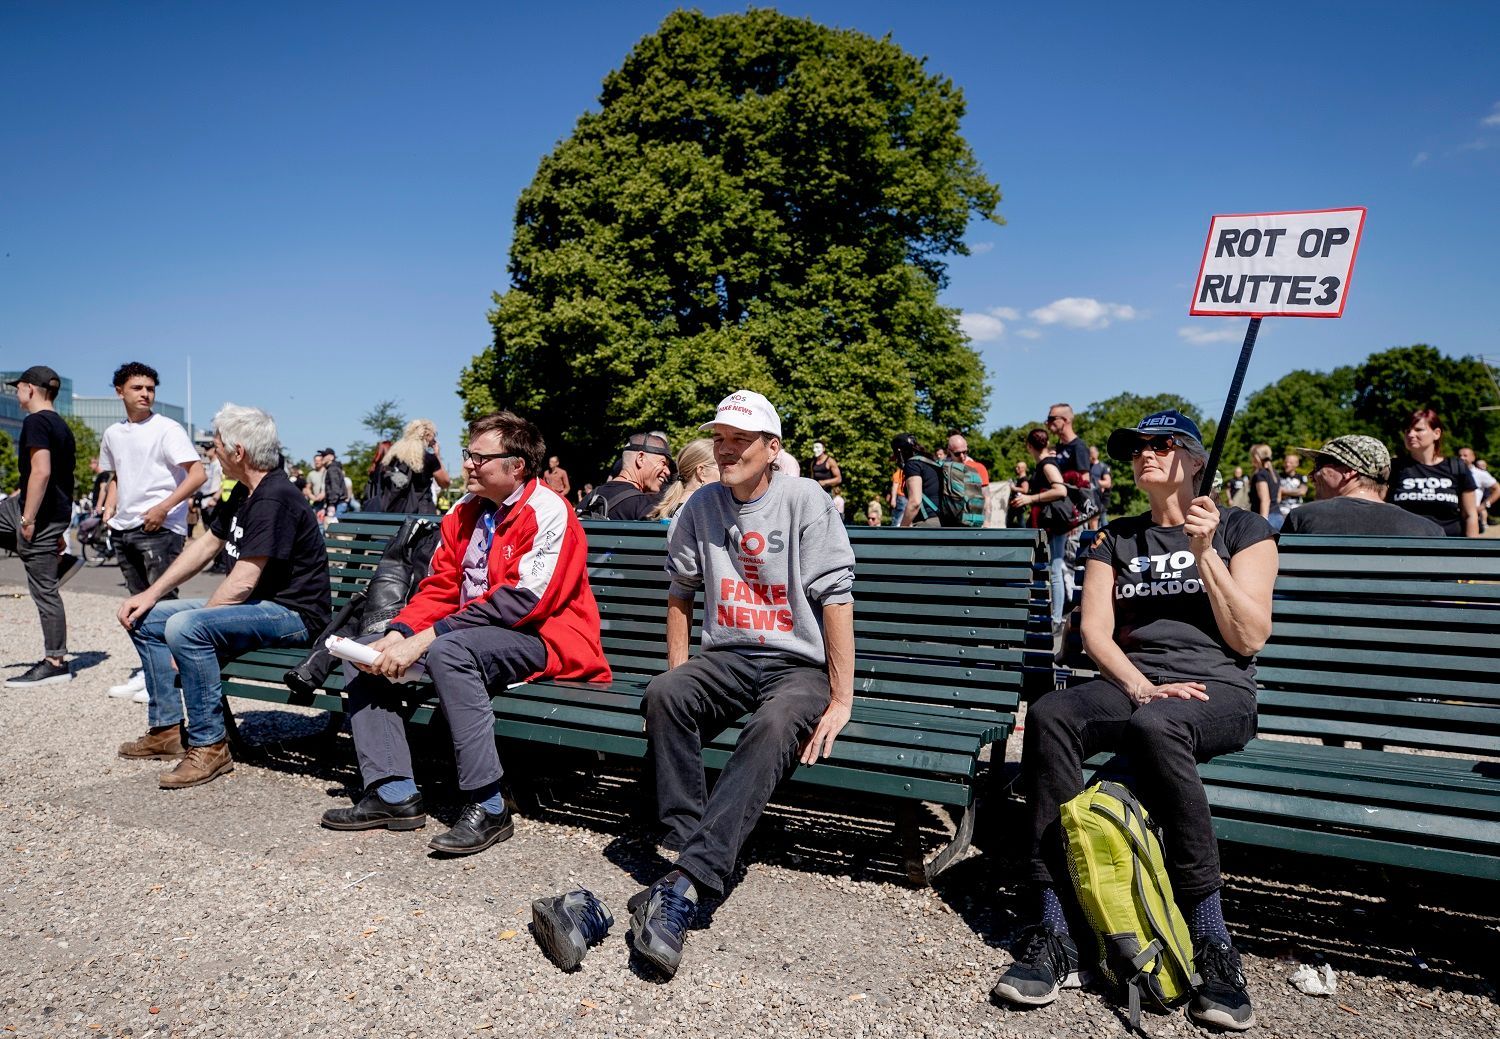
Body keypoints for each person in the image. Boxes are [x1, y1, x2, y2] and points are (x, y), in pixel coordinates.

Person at [535, 390, 854, 979]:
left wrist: (840, 697)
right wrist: (679, 669)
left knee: (778, 722)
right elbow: (680, 592)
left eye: (742, 441)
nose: (727, 450)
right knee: (665, 694)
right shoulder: (700, 505)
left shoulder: (805, 500)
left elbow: (835, 596)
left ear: (771, 447)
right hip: (729, 656)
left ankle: (683, 881)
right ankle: (690, 852)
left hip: (797, 665)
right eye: (721, 440)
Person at [991, 409, 1274, 1032]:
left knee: (1158, 728)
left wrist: (1205, 553)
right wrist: (1143, 686)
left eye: (1163, 445)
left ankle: (1211, 938)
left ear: (1196, 461)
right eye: (1137, 447)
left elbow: (1250, 638)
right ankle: (1057, 925)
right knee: (1051, 714)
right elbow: (1093, 631)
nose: (1146, 454)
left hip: (1218, 690)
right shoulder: (1115, 537)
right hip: (1137, 683)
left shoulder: (1243, 528)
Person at [320, 411, 610, 854]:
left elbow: (523, 603)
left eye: (479, 456)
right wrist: (400, 632)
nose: (468, 464)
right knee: (365, 651)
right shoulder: (463, 511)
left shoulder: (550, 510)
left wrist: (428, 637)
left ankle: (488, 804)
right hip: (467, 636)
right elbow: (439, 587)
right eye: (467, 454)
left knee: (449, 652)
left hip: (543, 638)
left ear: (517, 466)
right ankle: (392, 792)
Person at [115, 404, 331, 787]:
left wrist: (193, 633)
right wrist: (150, 593)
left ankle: (211, 746)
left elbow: (244, 581)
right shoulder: (245, 493)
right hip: (256, 607)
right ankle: (166, 730)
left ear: (237, 451)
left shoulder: (274, 497)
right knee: (145, 619)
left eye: (215, 444)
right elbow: (206, 545)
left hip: (293, 615)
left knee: (185, 628)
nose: (211, 451)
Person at [97, 362, 208, 702]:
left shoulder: (167, 429)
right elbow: (116, 474)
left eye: (150, 388)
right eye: (137, 388)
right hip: (124, 527)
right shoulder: (113, 434)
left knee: (161, 608)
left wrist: (164, 507)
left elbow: (197, 474)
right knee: (136, 607)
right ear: (120, 392)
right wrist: (110, 509)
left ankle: (169, 677)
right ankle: (150, 672)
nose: (145, 394)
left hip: (160, 528)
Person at [0, 366, 81, 686]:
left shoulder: (35, 421)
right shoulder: (60, 424)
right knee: (43, 577)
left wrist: (29, 518)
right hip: (51, 511)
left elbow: (42, 472)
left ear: (30, 389)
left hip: (39, 513)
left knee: (44, 590)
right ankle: (58, 559)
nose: (15, 392)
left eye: (17, 387)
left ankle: (55, 661)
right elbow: (61, 477)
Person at [1283, 436, 1443, 536]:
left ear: (1348, 471)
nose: (1311, 475)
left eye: (1318, 466)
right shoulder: (1429, 531)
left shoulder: (1302, 518)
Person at [1009, 429, 1069, 625]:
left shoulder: (1046, 464)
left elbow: (1061, 490)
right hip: (1049, 524)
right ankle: (1049, 615)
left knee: (1055, 571)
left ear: (1028, 446)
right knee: (1049, 570)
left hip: (1054, 524)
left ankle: (1056, 618)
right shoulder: (1043, 464)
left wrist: (1030, 498)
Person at [1387, 409, 1477, 537]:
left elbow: (1470, 515)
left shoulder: (1457, 467)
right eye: (1407, 430)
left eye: (1418, 430)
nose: (1411, 434)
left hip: (1448, 549)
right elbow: (1381, 509)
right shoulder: (1395, 467)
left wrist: (1471, 553)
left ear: (1436, 433)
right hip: (1404, 549)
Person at [577, 432, 671, 519]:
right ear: (640, 459)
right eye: (663, 463)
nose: (668, 472)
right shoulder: (644, 506)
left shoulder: (588, 500)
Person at [373, 419, 451, 515]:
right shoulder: (428, 458)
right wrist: (437, 456)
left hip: (393, 510)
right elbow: (445, 482)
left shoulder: (392, 456)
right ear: (427, 435)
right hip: (421, 514)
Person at [647, 439, 718, 521]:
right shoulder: (707, 512)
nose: (724, 474)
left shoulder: (663, 511)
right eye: (721, 468)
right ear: (702, 472)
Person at [892, 433, 943, 527]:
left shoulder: (912, 464)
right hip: (942, 522)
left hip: (927, 524)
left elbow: (915, 502)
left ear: (899, 451)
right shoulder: (930, 462)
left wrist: (902, 528)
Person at [1457, 447, 1499, 529]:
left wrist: (1483, 506)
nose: (1462, 458)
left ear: (1473, 457)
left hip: (1471, 516)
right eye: (1459, 455)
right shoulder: (1452, 472)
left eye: (1465, 455)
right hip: (1453, 516)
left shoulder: (1480, 474)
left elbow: (1497, 489)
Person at [1248, 444, 1279, 527]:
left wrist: (1263, 523)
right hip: (1277, 516)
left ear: (1256, 457)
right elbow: (1278, 497)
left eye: (1252, 456)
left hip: (1266, 518)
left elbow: (1265, 500)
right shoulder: (1275, 474)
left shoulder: (1260, 475)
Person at [320, 448, 350, 523]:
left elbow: (335, 488)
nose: (321, 457)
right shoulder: (333, 468)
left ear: (331, 457)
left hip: (337, 504)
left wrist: (331, 504)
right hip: (338, 503)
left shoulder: (332, 469)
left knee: (334, 530)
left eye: (324, 455)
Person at [1087, 444, 1113, 529]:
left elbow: (1108, 483)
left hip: (1100, 498)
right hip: (1088, 497)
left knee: (1103, 521)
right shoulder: (1086, 466)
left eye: (1093, 452)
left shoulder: (1103, 466)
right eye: (1090, 453)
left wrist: (1095, 482)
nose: (1091, 454)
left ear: (1097, 453)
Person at [1276, 453, 1308, 522]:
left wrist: (1283, 491)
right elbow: (1276, 493)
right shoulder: (1278, 476)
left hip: (1297, 508)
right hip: (1281, 510)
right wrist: (1296, 491)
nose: (1287, 464)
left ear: (1296, 464)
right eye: (1286, 462)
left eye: (1290, 463)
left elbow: (1302, 492)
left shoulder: (1301, 477)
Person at [1008, 461, 1031, 528]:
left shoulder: (1024, 479)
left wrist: (1013, 488)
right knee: (1010, 520)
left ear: (1023, 469)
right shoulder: (1020, 479)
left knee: (1020, 521)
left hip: (1019, 504)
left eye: (1018, 467)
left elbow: (1025, 490)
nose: (1016, 469)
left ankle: (1025, 535)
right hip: (1015, 503)